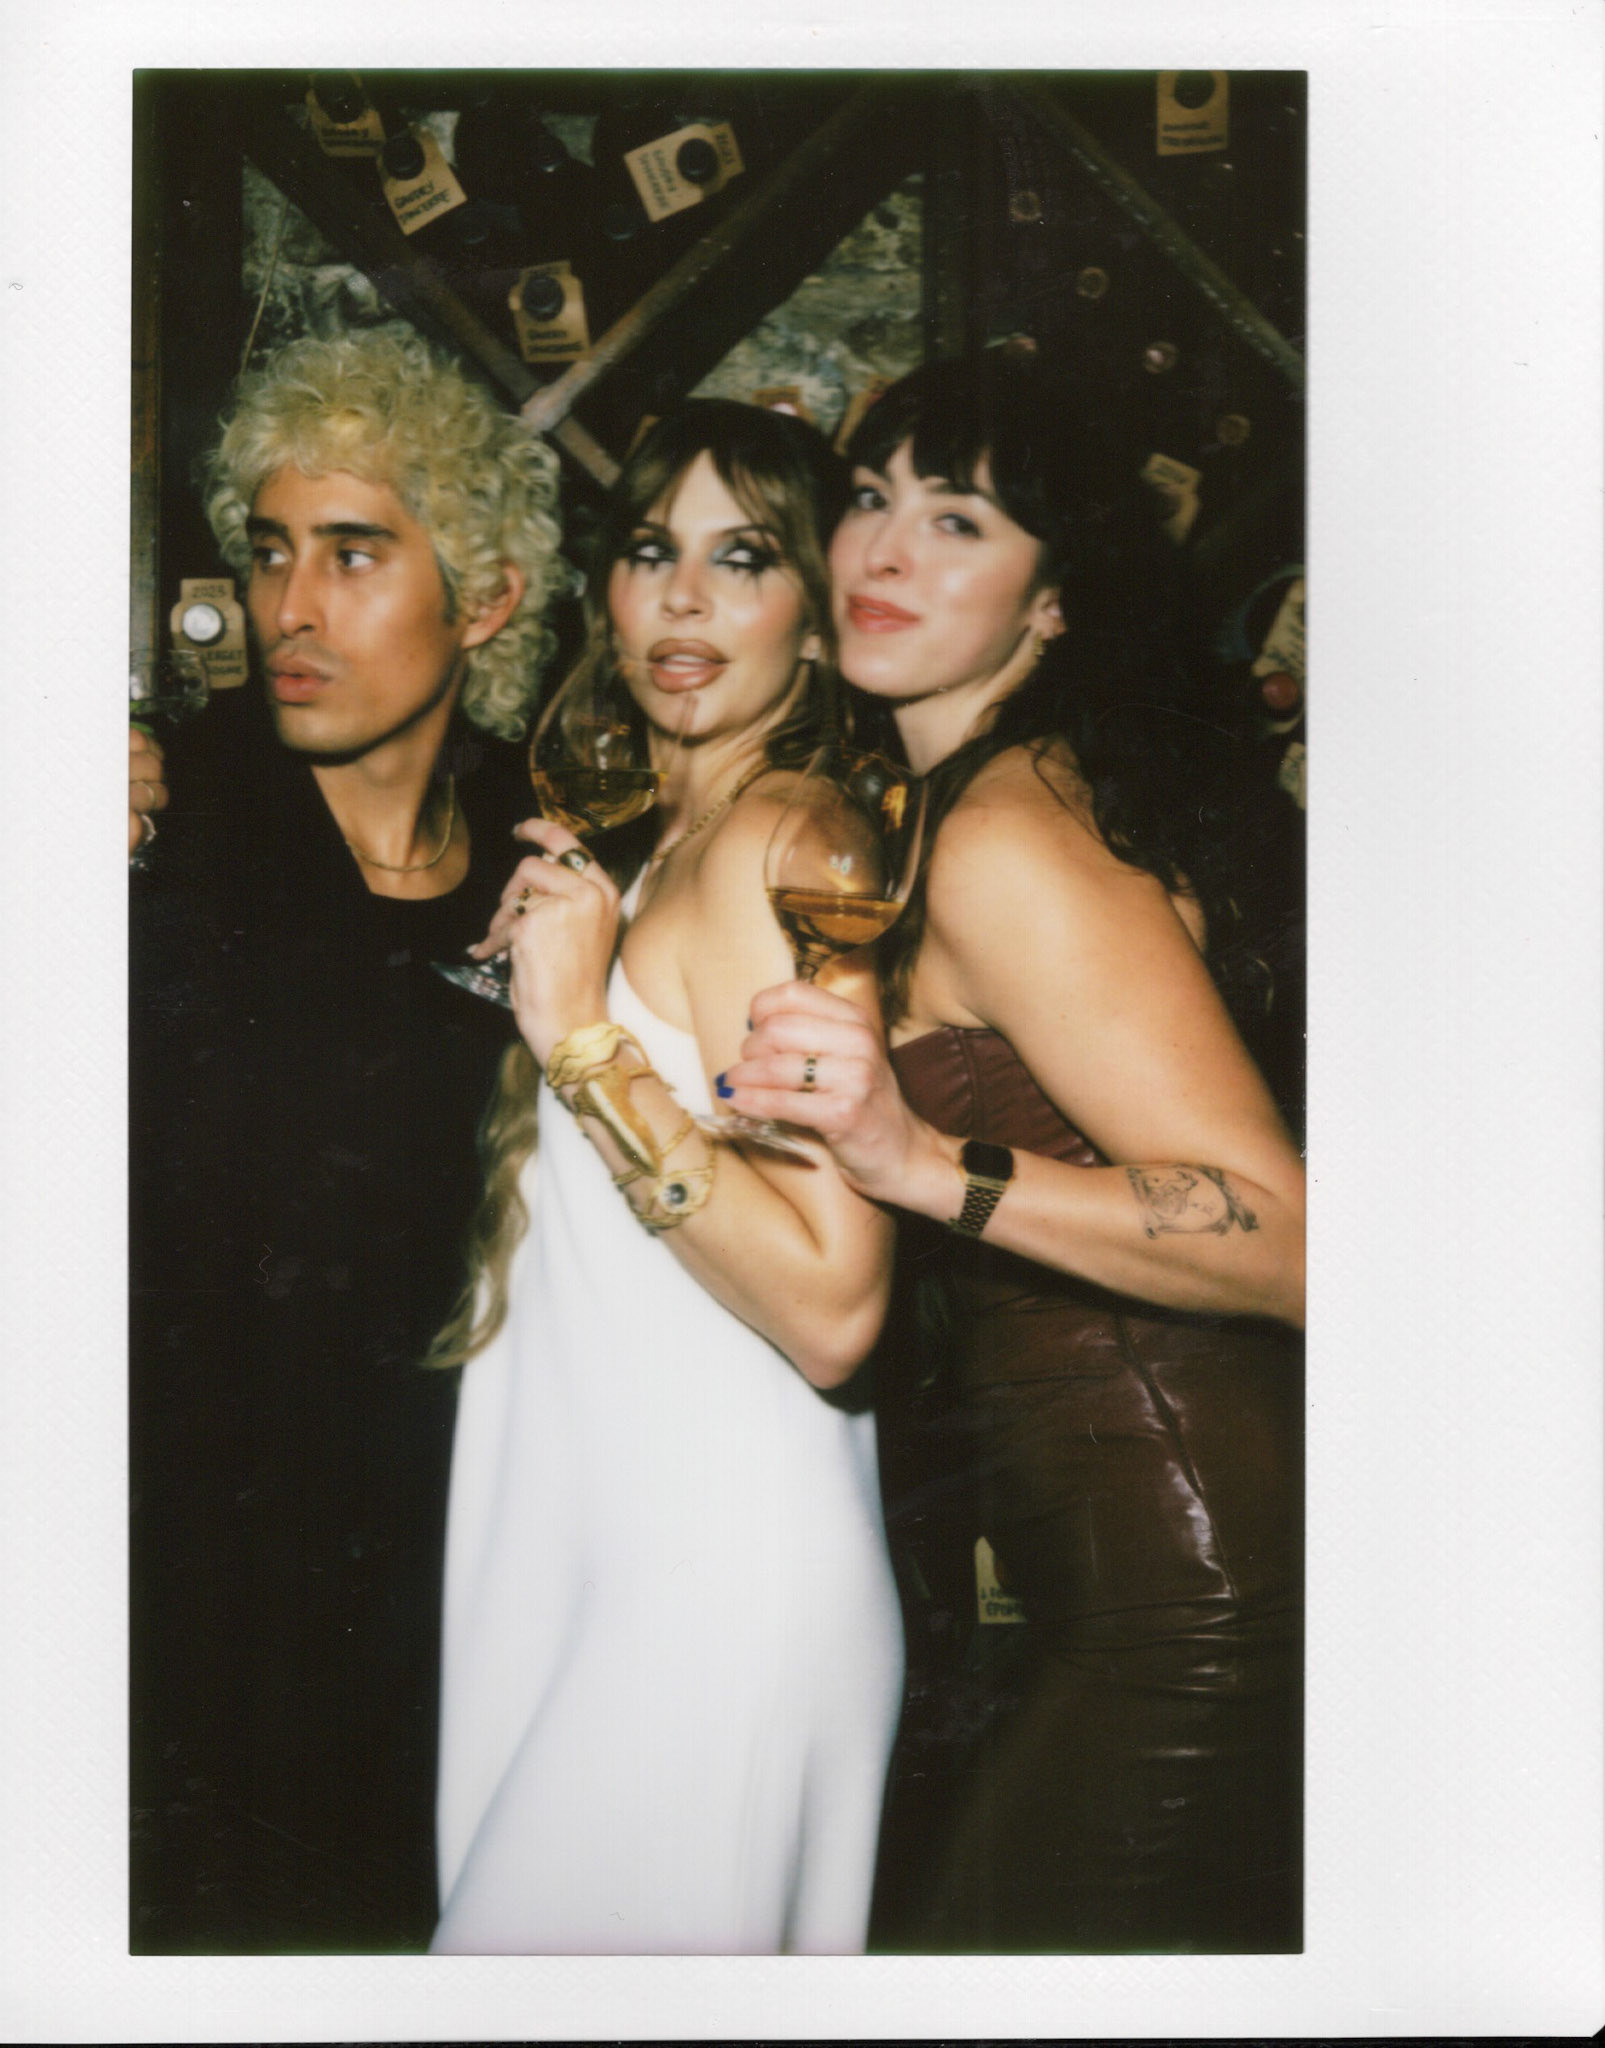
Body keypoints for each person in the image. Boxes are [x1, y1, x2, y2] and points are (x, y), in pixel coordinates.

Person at [724, 350, 1306, 1953]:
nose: (882, 551)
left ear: (1054, 601)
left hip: (1189, 1599)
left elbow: (1287, 1237)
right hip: (1128, 1578)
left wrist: (922, 1163)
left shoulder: (1002, 840)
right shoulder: (944, 803)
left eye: (958, 521)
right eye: (868, 499)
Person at [428, 401, 904, 1956]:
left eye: (744, 557)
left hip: (713, 1584)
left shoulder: (787, 842)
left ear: (818, 621)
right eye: (650, 551)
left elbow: (833, 1304)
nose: (684, 599)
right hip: (619, 1553)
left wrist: (581, 1038)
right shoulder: (671, 848)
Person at [129, 325, 567, 1951]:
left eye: (354, 553)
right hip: (197, 1578)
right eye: (269, 553)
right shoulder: (163, 830)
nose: (289, 610)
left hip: (464, 1551)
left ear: (489, 598)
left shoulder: (544, 853)